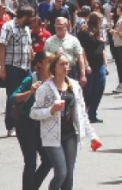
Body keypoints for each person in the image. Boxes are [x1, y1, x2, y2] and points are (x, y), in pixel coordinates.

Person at [30, 52, 100, 190]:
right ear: (54, 67)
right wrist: (50, 110)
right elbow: (33, 113)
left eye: (67, 64)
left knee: (69, 177)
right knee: (61, 173)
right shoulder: (45, 88)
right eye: (61, 64)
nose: (65, 67)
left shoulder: (74, 86)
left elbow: (82, 114)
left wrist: (93, 136)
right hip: (52, 136)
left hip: (70, 135)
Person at [10, 51, 52, 190]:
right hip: (26, 125)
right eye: (47, 61)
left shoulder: (53, 80)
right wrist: (30, 92)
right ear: (39, 64)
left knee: (48, 160)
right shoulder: (31, 79)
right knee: (30, 163)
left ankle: (31, 187)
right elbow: (13, 98)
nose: (51, 63)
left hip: (43, 125)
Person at [0, 6, 35, 137]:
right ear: (24, 16)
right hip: (12, 67)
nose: (32, 20)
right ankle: (11, 125)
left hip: (26, 67)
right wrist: (2, 69)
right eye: (30, 17)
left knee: (31, 93)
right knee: (13, 96)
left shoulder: (26, 28)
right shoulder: (8, 27)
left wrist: (32, 56)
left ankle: (26, 122)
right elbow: (2, 48)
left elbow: (29, 45)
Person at [77, 12, 108, 123]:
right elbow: (82, 49)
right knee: (88, 90)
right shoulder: (84, 32)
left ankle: (93, 113)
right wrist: (86, 64)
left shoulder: (99, 32)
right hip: (89, 64)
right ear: (96, 20)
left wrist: (106, 64)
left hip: (100, 64)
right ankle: (84, 112)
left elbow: (102, 49)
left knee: (100, 88)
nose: (102, 22)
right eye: (100, 20)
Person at [44, 17, 86, 85]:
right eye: (56, 25)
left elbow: (80, 58)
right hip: (54, 74)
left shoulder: (73, 40)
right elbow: (45, 60)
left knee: (71, 93)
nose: (58, 27)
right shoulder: (49, 41)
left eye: (60, 25)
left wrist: (83, 75)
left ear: (66, 26)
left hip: (70, 72)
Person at [111, 4, 122, 94]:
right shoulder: (119, 19)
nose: (116, 9)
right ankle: (120, 82)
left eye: (117, 8)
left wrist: (116, 32)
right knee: (118, 64)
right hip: (116, 43)